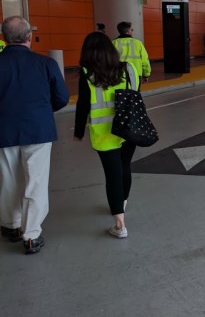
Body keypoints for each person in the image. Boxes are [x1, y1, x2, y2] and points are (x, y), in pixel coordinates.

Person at [0, 16, 69, 254]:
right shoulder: (46, 64)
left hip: (3, 130)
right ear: (30, 37)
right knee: (35, 181)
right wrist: (39, 110)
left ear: (3, 38)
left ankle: (11, 226)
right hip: (38, 129)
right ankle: (31, 235)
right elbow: (61, 98)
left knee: (8, 179)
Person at [74, 32, 139, 239]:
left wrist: (78, 132)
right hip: (128, 130)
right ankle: (123, 202)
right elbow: (135, 95)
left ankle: (120, 225)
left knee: (112, 175)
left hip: (104, 135)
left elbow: (82, 105)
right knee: (125, 167)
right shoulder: (128, 68)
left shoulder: (87, 74)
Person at [113, 21, 150, 89]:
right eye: (131, 29)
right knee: (134, 95)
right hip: (136, 73)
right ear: (128, 31)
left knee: (120, 95)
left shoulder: (113, 43)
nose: (132, 31)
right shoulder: (138, 43)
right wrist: (146, 74)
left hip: (119, 74)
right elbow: (145, 60)